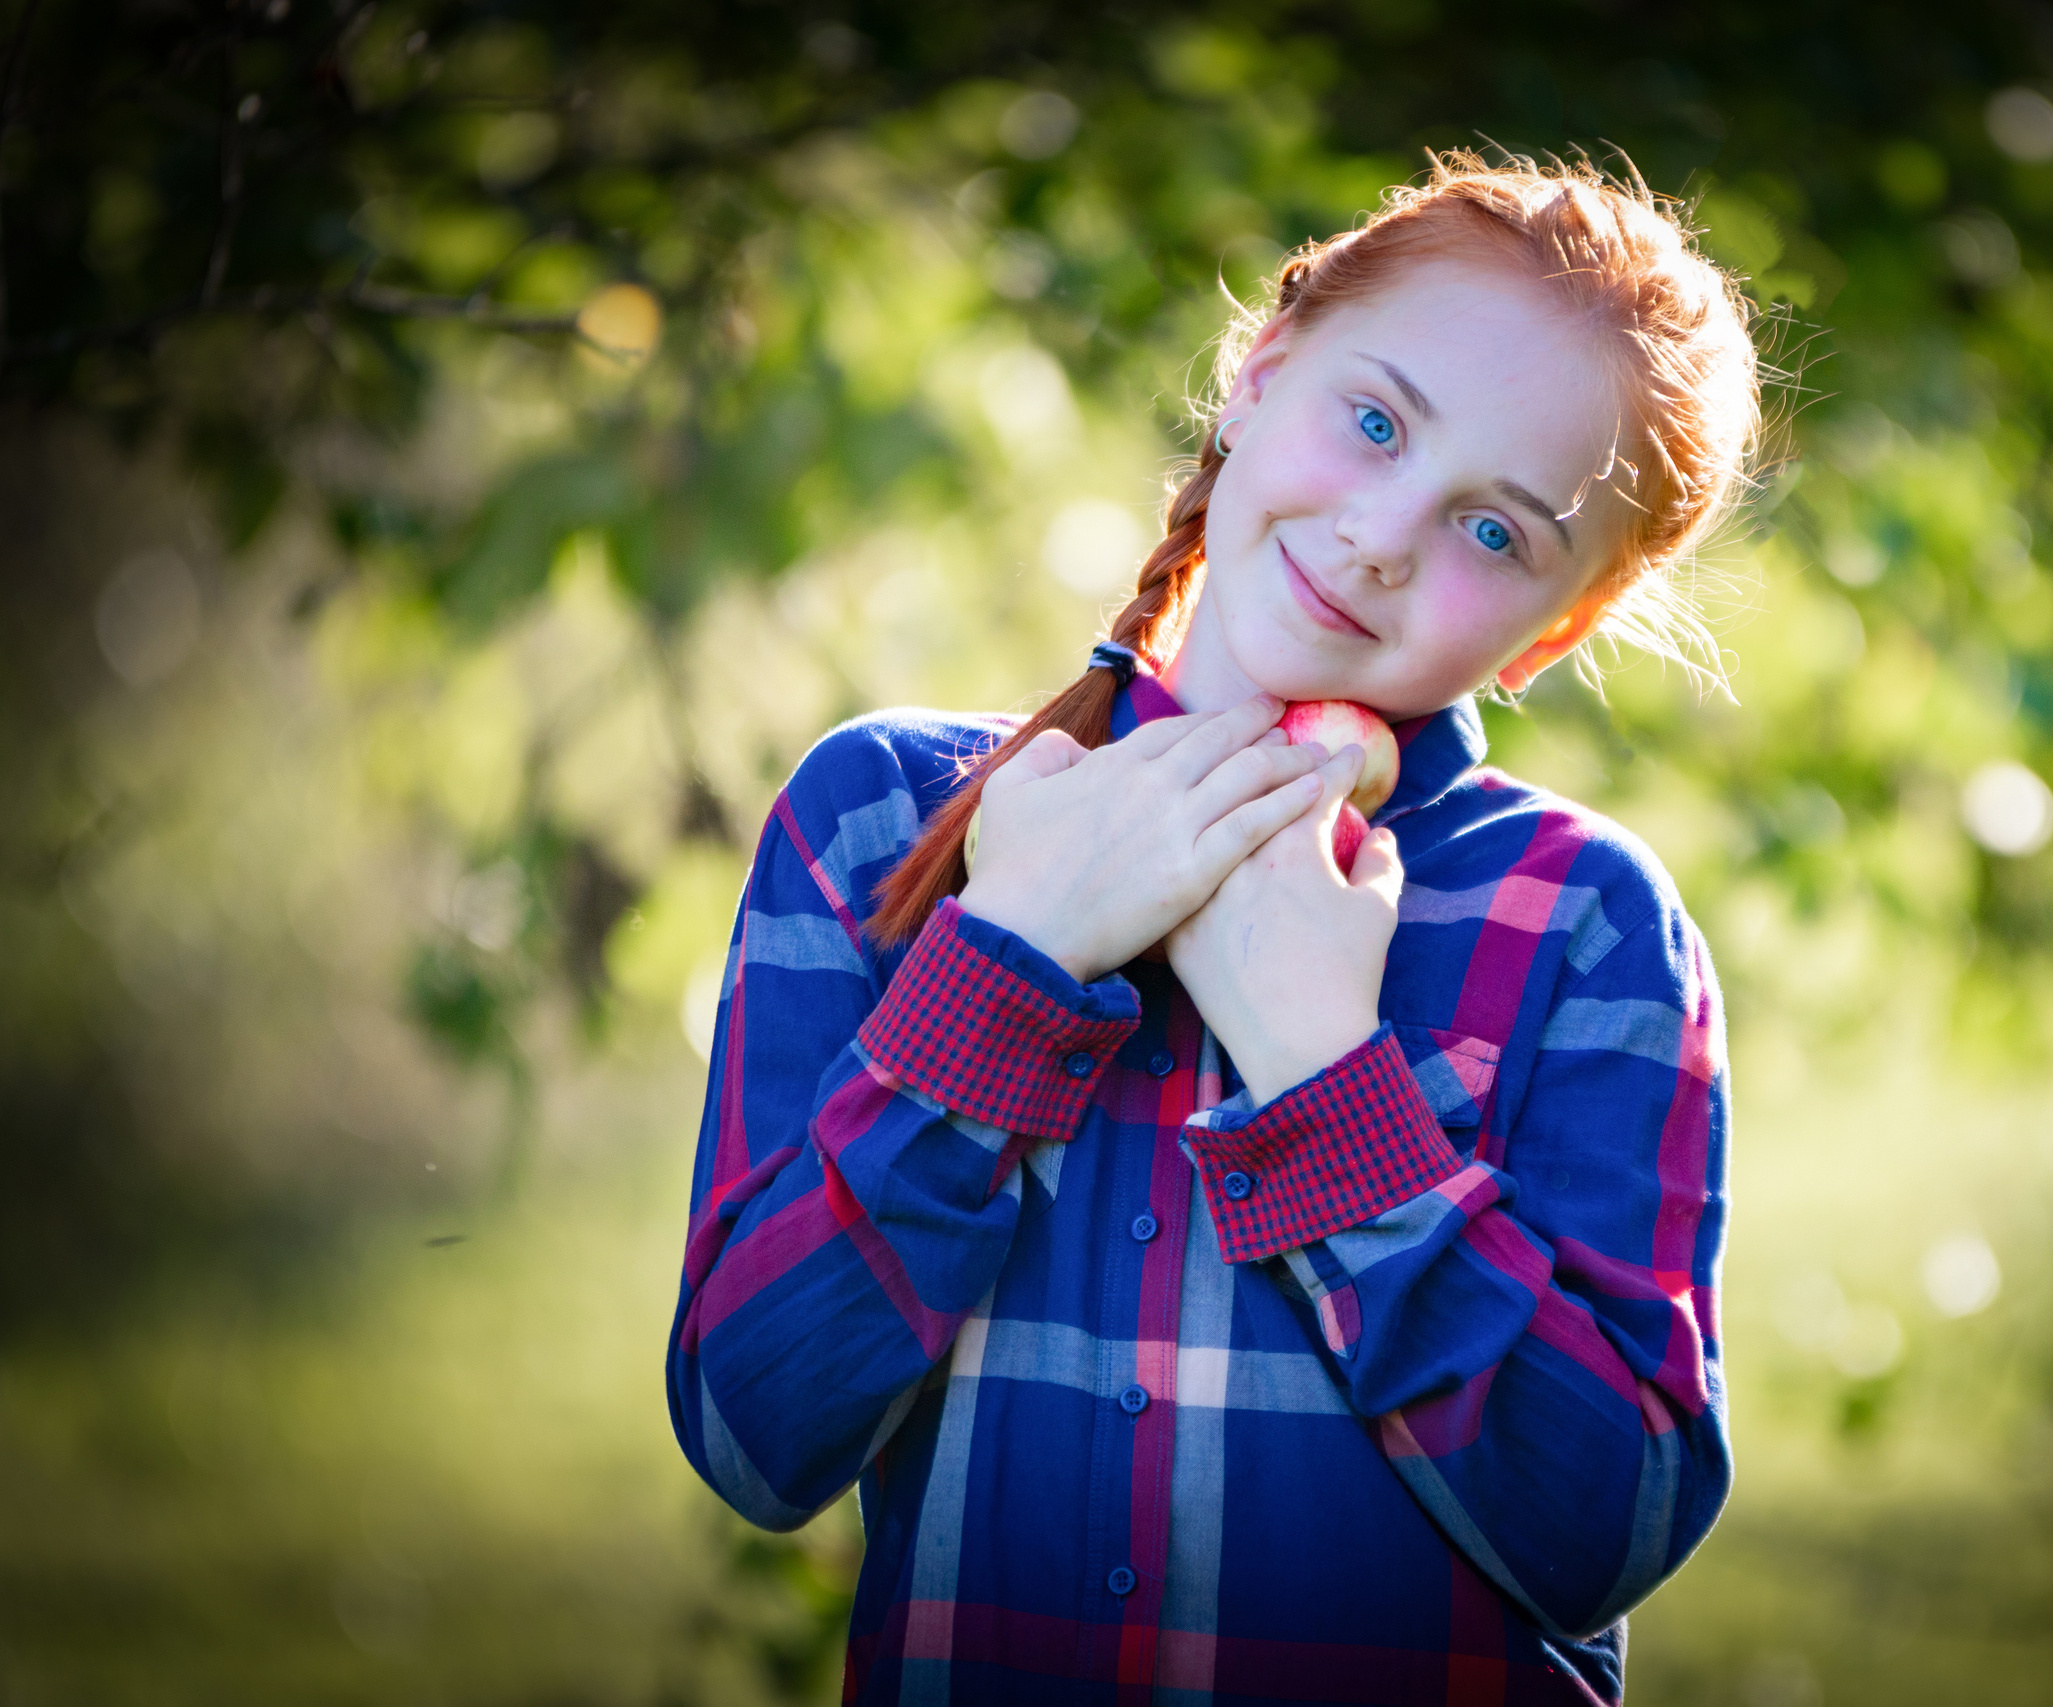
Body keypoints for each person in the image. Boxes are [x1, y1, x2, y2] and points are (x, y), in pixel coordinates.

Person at [667, 153, 1761, 1705]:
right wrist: (1011, 960)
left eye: (1496, 533)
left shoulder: (1583, 925)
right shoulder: (885, 822)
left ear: (1557, 632)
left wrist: (1326, 1076)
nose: (1385, 533)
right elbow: (752, 1431)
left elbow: (1603, 1529)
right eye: (1374, 421)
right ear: (1261, 369)